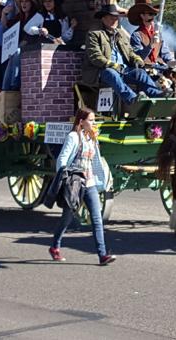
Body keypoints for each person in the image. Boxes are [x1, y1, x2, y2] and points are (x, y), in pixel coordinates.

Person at [48, 107, 117, 265]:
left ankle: (102, 255)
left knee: (97, 219)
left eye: (94, 120)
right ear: (81, 121)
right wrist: (65, 176)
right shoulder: (73, 137)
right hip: (75, 185)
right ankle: (55, 246)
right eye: (91, 120)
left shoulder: (91, 137)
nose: (94, 123)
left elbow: (94, 160)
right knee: (67, 218)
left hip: (90, 183)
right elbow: (62, 160)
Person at [82, 4, 167, 105]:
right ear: (103, 18)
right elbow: (95, 57)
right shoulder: (94, 34)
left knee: (140, 72)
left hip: (124, 70)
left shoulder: (120, 33)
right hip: (101, 71)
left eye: (116, 18)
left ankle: (157, 95)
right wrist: (112, 65)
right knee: (111, 73)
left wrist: (137, 59)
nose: (114, 21)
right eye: (111, 18)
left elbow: (130, 52)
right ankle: (132, 99)